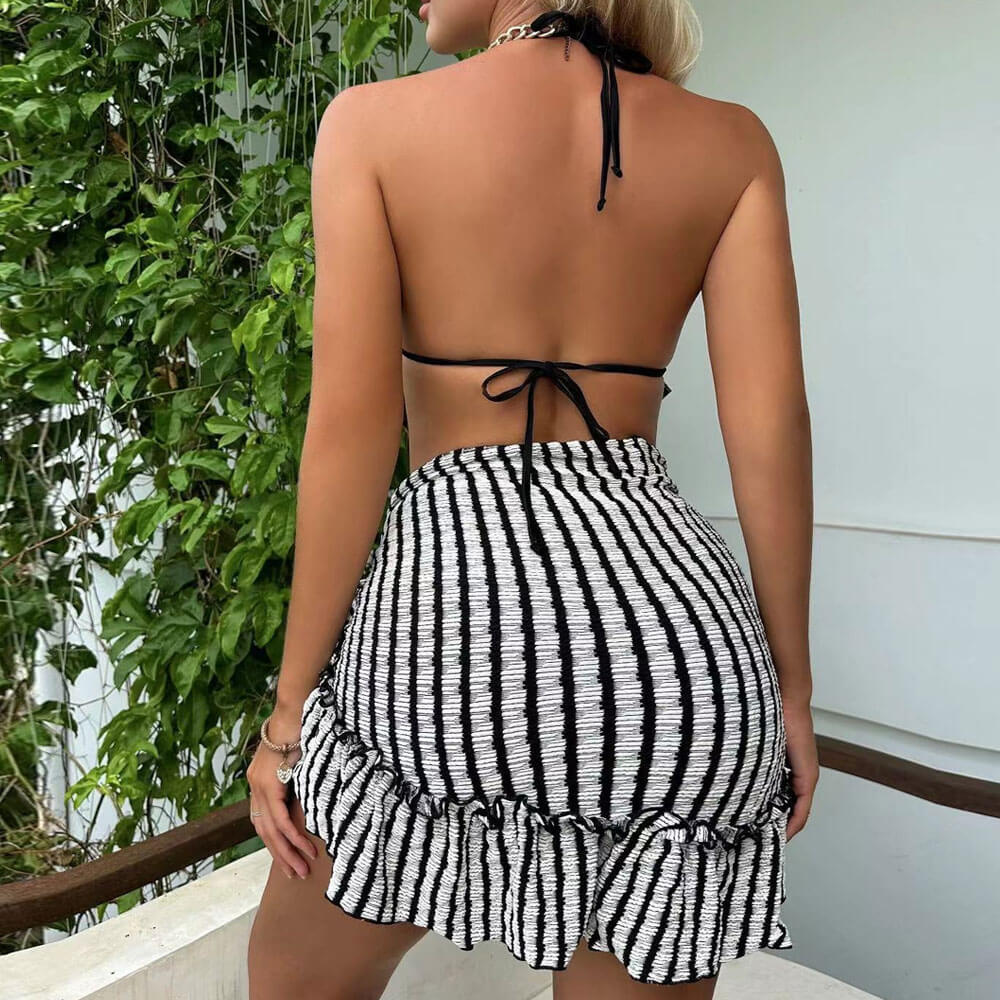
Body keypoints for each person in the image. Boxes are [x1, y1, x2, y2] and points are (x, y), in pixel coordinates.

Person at [246, 1, 818, 997]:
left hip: (450, 629)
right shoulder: (732, 145)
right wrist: (792, 691)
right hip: (676, 660)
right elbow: (769, 434)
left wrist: (289, 714)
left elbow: (348, 431)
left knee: (296, 980)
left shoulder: (373, 126)